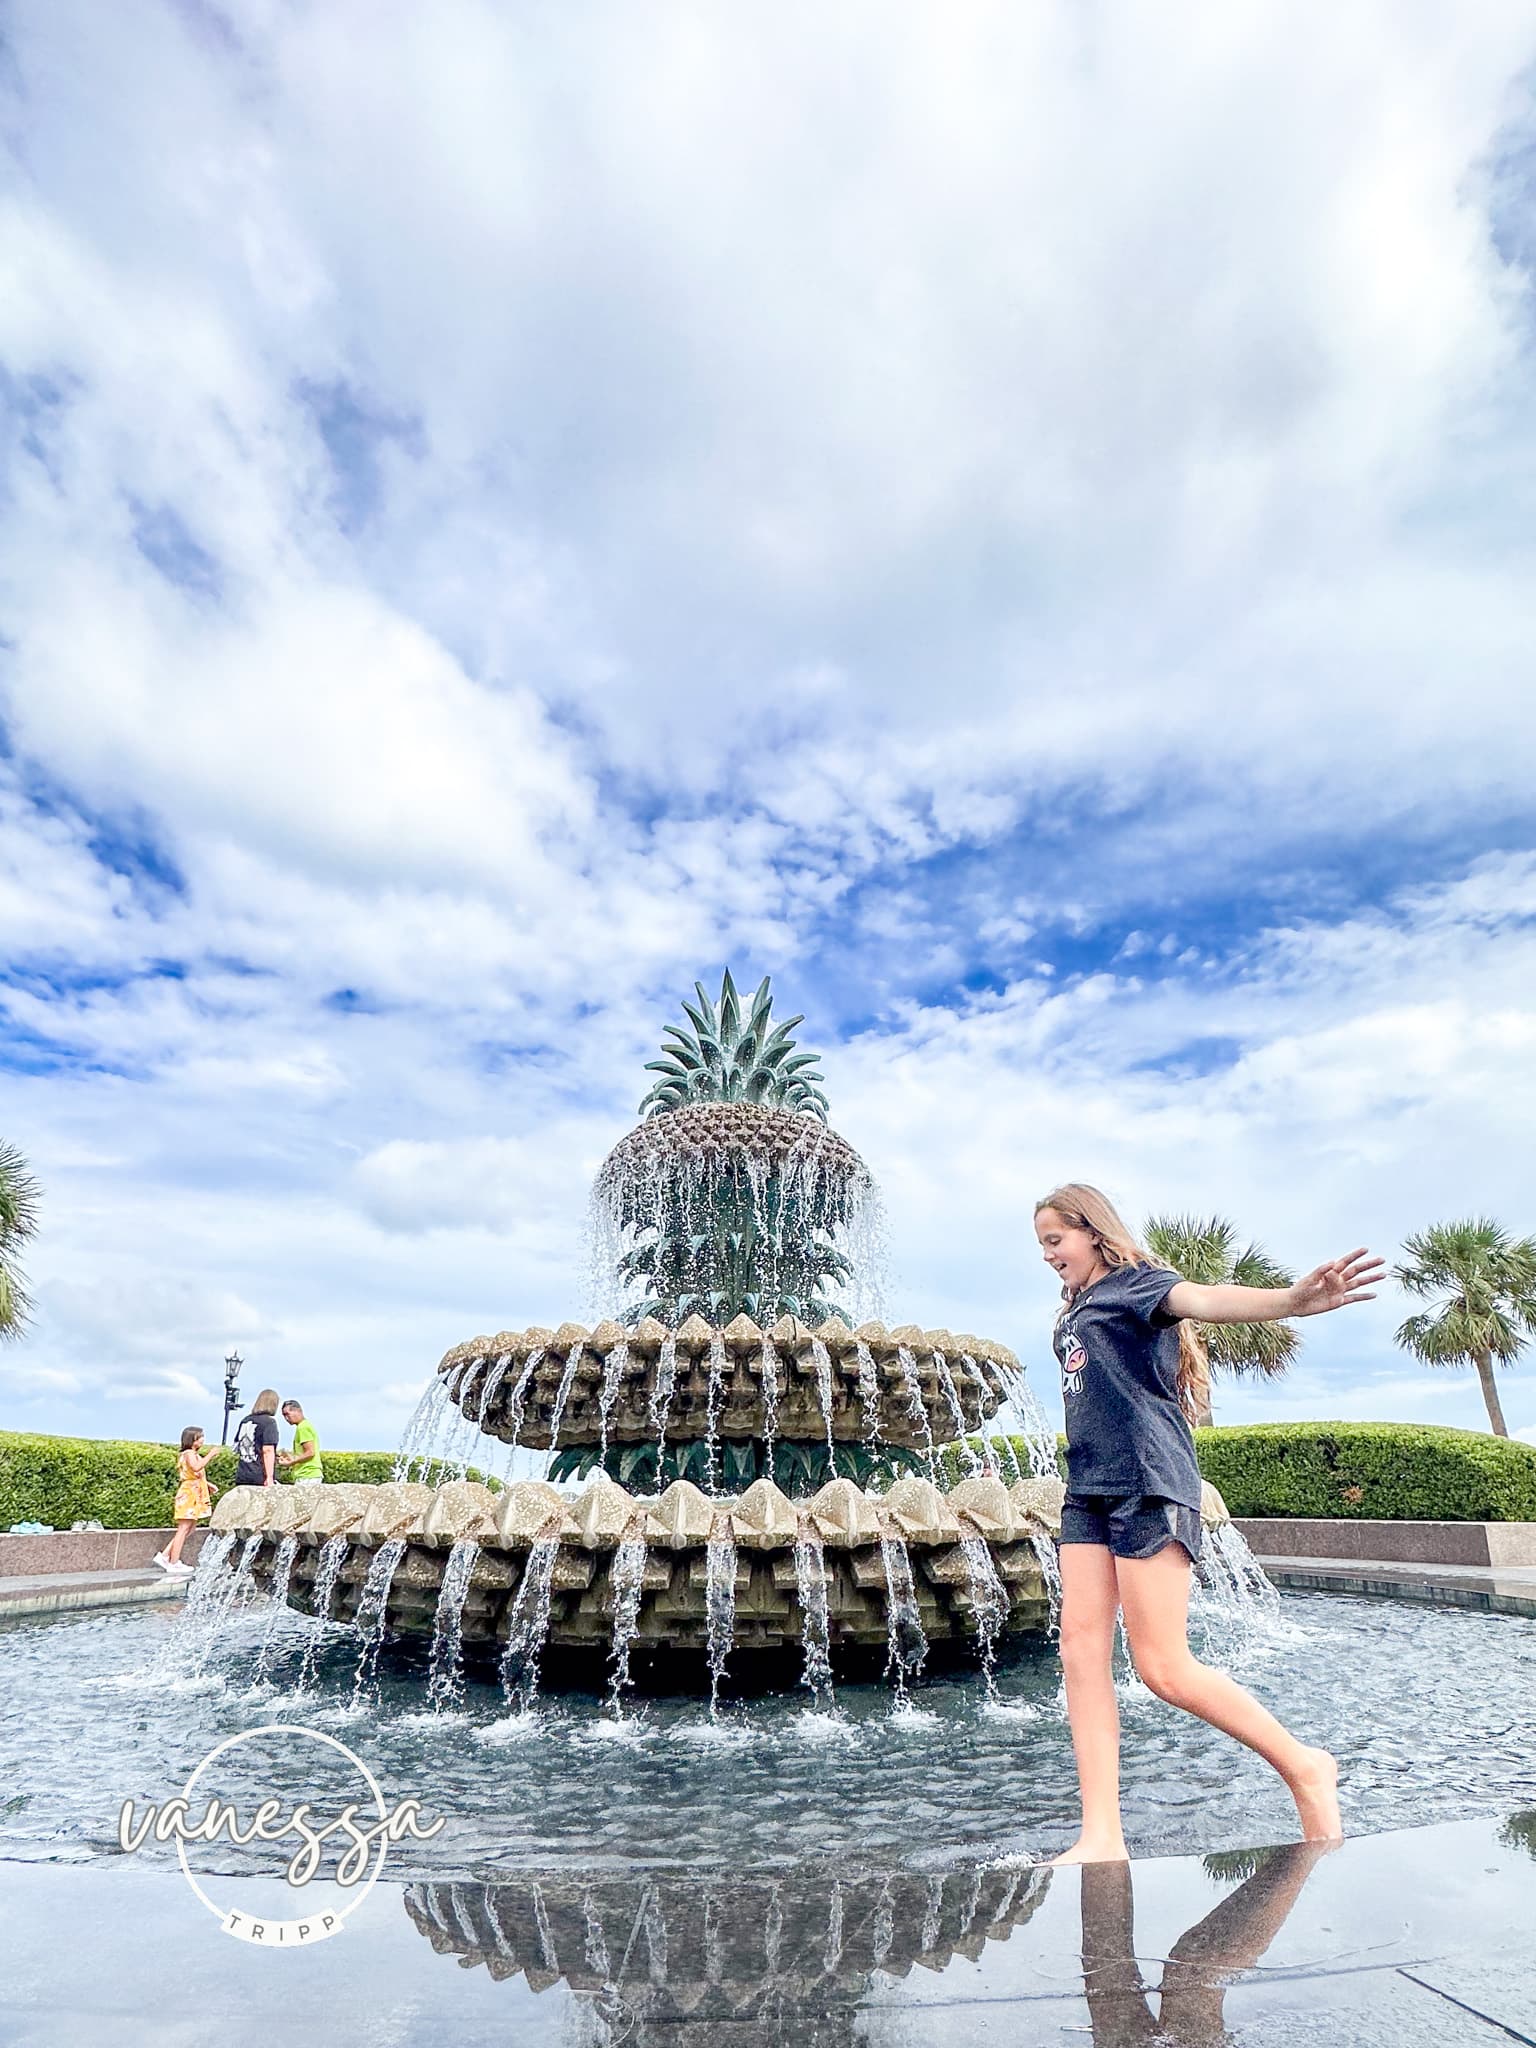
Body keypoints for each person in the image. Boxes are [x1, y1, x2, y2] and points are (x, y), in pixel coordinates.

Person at [1034, 1182, 1384, 1865]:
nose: (1048, 1255)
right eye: (1042, 1245)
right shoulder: (1073, 1310)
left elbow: (1204, 1298)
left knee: (1163, 1667)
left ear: (1093, 1231)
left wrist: (1290, 1302)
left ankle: (1306, 1764)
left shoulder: (1138, 1285)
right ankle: (1102, 1837)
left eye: (1055, 1240)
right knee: (1079, 1652)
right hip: (1089, 1489)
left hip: (1148, 1482)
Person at [154, 1426, 218, 1576]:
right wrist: (210, 1455)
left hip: (193, 1493)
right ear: (192, 1439)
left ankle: (165, 1556)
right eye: (199, 1437)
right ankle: (173, 1562)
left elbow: (193, 1474)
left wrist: (208, 1485)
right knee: (184, 1528)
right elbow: (196, 1468)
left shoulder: (191, 1454)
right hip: (189, 1495)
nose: (202, 1439)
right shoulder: (189, 1453)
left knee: (189, 1528)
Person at [232, 1387, 281, 1489]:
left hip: (243, 1474)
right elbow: (267, 1450)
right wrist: (269, 1478)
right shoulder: (269, 1422)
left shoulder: (245, 1420)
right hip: (259, 1475)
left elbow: (236, 1446)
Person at [278, 1399, 323, 1486]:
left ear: (298, 1411)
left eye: (288, 1414)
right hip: (309, 1474)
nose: (286, 1418)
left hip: (307, 1474)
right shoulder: (305, 1425)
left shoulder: (302, 1427)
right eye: (284, 1415)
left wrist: (292, 1462)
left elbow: (310, 1452)